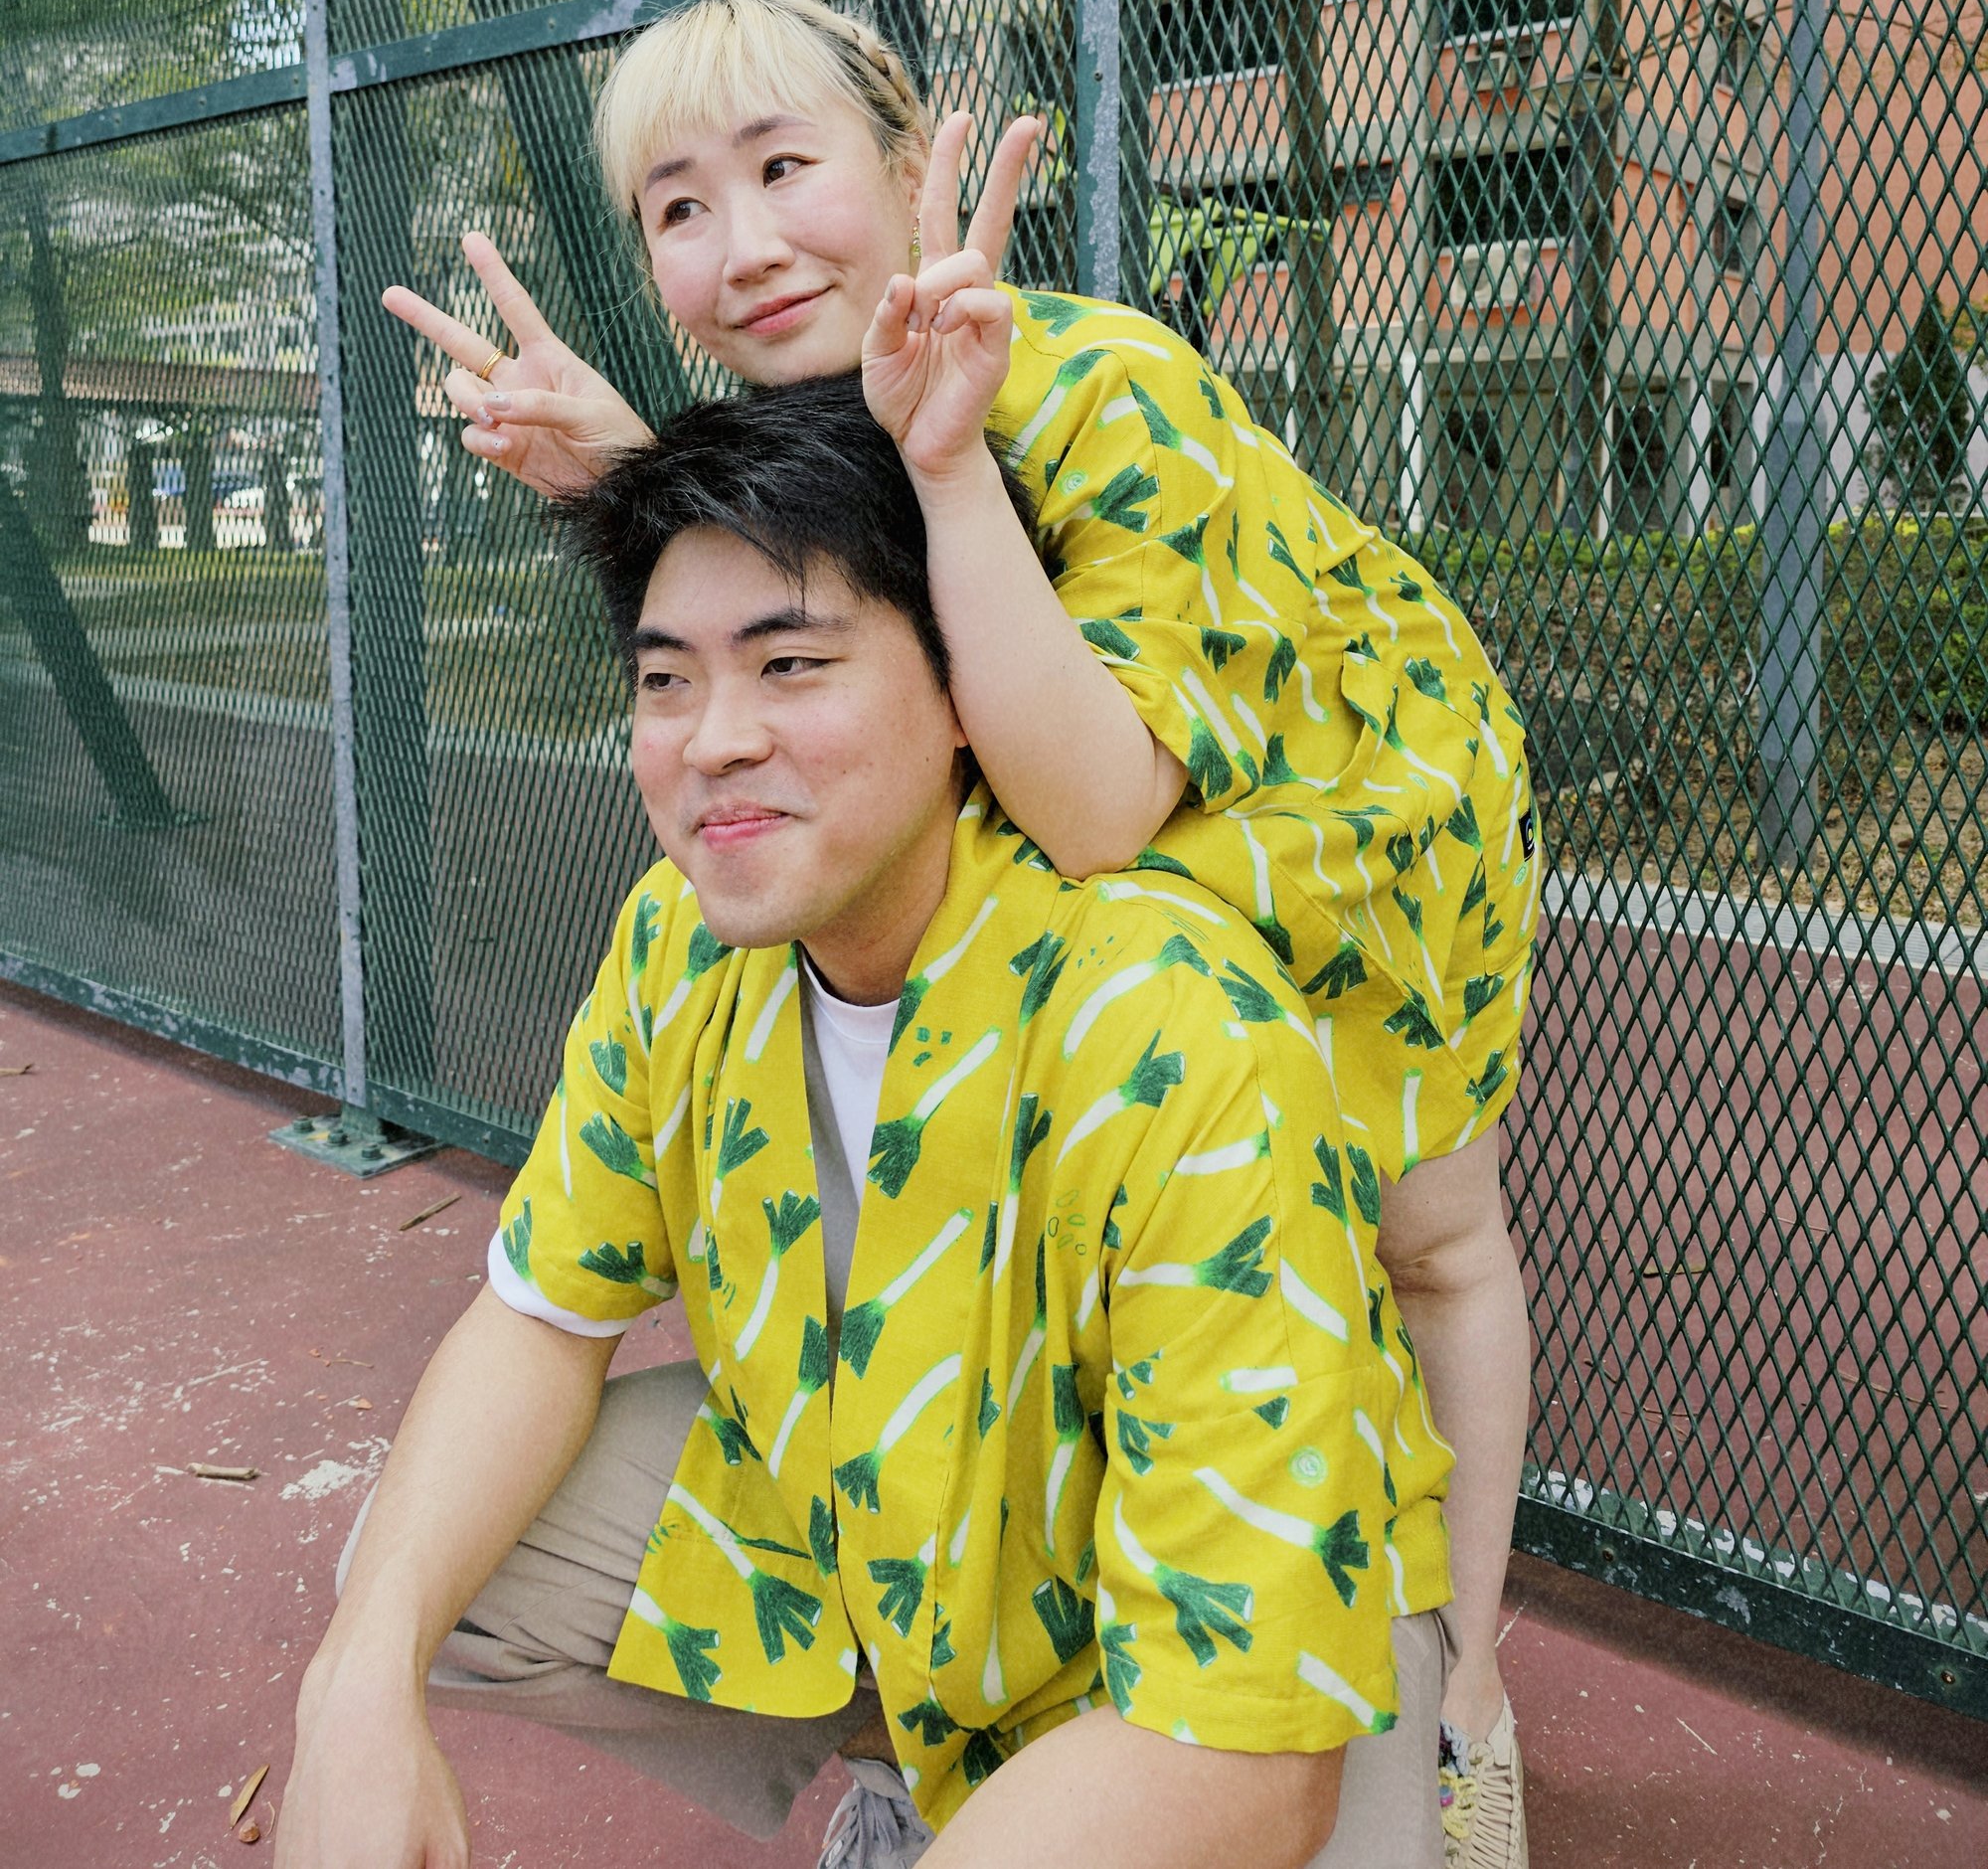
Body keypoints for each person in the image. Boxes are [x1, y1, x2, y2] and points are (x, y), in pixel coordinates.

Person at [384, 0, 1539, 1866]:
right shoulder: (787, 411)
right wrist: (631, 478)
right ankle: (937, 1743)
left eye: (786, 168)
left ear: (912, 164)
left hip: (1322, 808)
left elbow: (1092, 807)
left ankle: (1467, 1692)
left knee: (1428, 1242)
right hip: (1096, 820)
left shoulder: (1099, 383)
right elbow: (822, 654)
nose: (745, 244)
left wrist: (934, 462)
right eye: (680, 205)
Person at [279, 380, 1462, 1869]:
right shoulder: (679, 946)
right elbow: (538, 1321)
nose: (714, 739)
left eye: (792, 664)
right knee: (410, 1566)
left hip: (1238, 1656)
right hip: (916, 1530)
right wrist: (352, 1687)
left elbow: (1248, 1755)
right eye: (666, 680)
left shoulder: (1175, 1023)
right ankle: (919, 1765)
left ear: (965, 689)